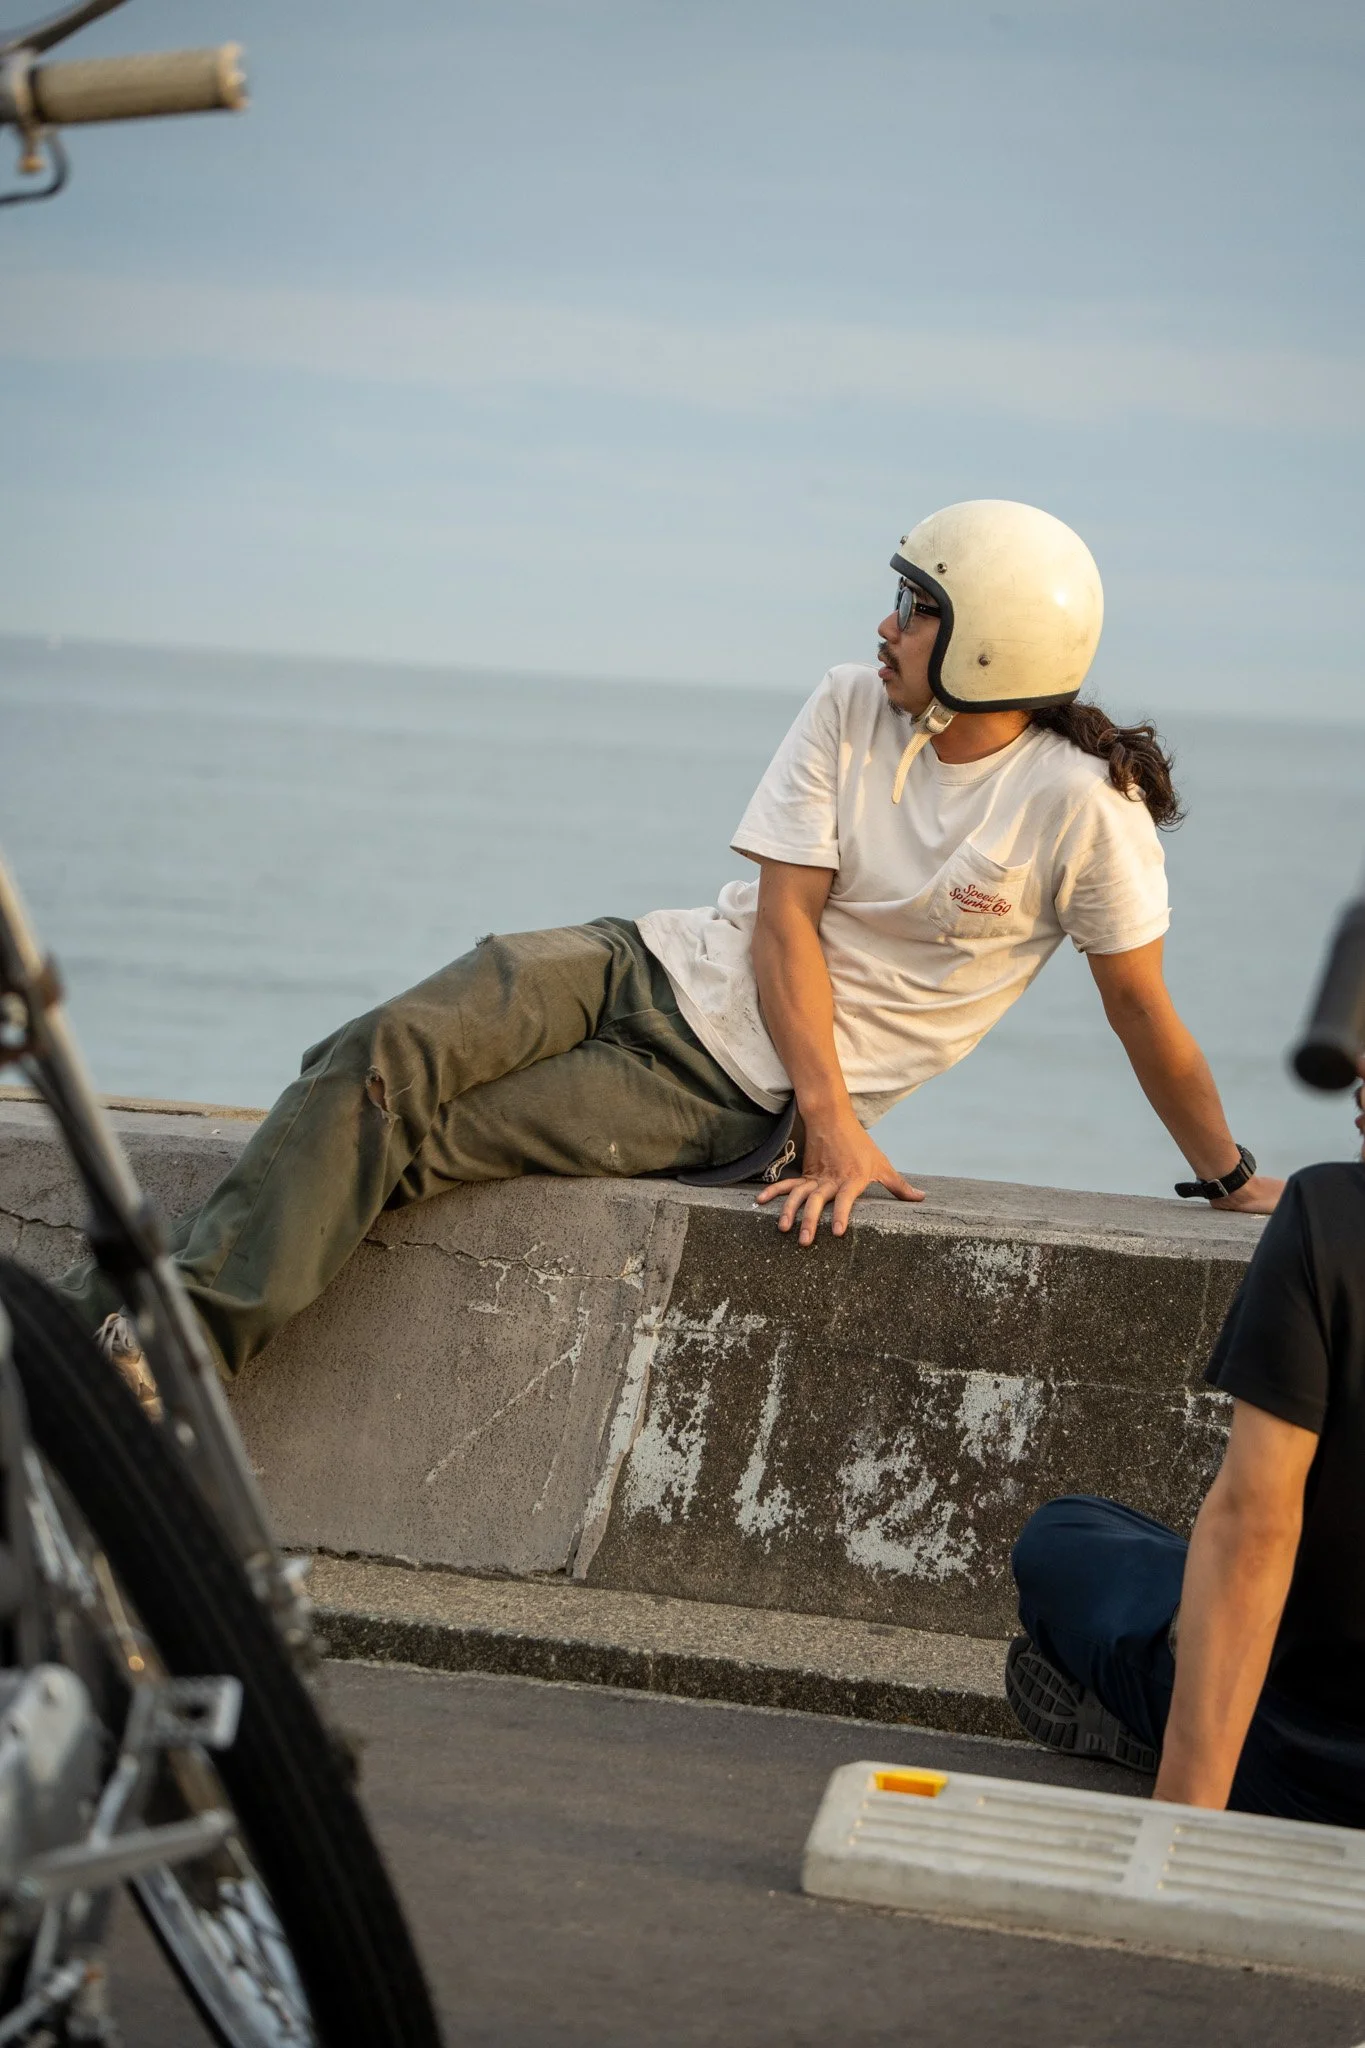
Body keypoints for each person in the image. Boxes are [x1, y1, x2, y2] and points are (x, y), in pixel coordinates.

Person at [57, 497, 1281, 1405]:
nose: (886, 623)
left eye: (917, 608)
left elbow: (1144, 1015)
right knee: (375, 1052)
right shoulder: (850, 698)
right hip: (647, 957)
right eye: (899, 596)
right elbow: (784, 917)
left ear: (988, 646)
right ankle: (130, 1355)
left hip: (718, 1089)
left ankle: (124, 1358)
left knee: (413, 1136)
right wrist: (839, 1114)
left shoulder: (1080, 807)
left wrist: (1229, 1181)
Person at [1007, 1063, 1365, 1826]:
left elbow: (1254, 1528)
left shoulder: (1332, 1214)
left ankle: (1172, 1735)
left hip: (1306, 1766)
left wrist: (1181, 1832)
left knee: (1065, 1537)